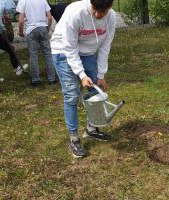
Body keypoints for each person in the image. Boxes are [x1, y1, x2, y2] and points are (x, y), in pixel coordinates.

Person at [50, 0, 116, 158]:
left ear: (110, 7)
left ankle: (91, 129)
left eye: (103, 11)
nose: (98, 15)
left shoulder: (111, 17)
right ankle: (74, 138)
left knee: (94, 92)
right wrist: (81, 74)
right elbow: (70, 47)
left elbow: (105, 46)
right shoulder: (76, 13)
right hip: (63, 51)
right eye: (95, 9)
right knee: (72, 95)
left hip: (87, 52)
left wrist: (101, 75)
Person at [16, 0, 56, 86]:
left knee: (33, 55)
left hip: (31, 30)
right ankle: (52, 79)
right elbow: (49, 17)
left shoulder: (23, 1)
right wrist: (47, 29)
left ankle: (35, 80)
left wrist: (20, 32)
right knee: (48, 54)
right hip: (43, 28)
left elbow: (21, 21)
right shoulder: (43, 0)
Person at [0, 0, 28, 86]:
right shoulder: (0, 6)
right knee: (11, 49)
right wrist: (2, 27)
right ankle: (17, 69)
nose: (7, 11)